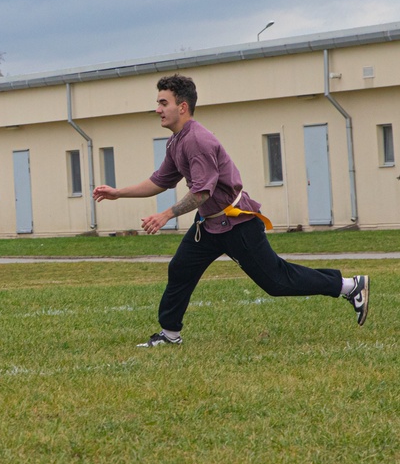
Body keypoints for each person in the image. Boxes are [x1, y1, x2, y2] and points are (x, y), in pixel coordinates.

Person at [92, 74, 369, 347]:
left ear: (183, 107)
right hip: (209, 224)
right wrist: (118, 193)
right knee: (181, 268)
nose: (158, 109)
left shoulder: (196, 141)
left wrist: (166, 215)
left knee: (277, 281)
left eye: (163, 103)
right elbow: (160, 181)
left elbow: (202, 191)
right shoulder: (176, 141)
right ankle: (169, 334)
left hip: (237, 224)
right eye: (158, 103)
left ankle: (348, 286)